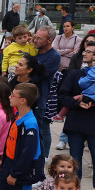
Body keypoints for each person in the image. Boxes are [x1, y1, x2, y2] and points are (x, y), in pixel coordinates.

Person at [60, 42, 95, 190]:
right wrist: (77, 103)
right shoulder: (76, 75)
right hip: (77, 123)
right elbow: (63, 96)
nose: (94, 62)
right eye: (91, 57)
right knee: (75, 160)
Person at [32, 25, 61, 153]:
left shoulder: (53, 56)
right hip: (26, 97)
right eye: (35, 37)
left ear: (49, 40)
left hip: (40, 99)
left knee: (42, 130)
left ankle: (44, 157)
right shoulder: (34, 52)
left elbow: (38, 76)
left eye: (39, 38)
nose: (35, 40)